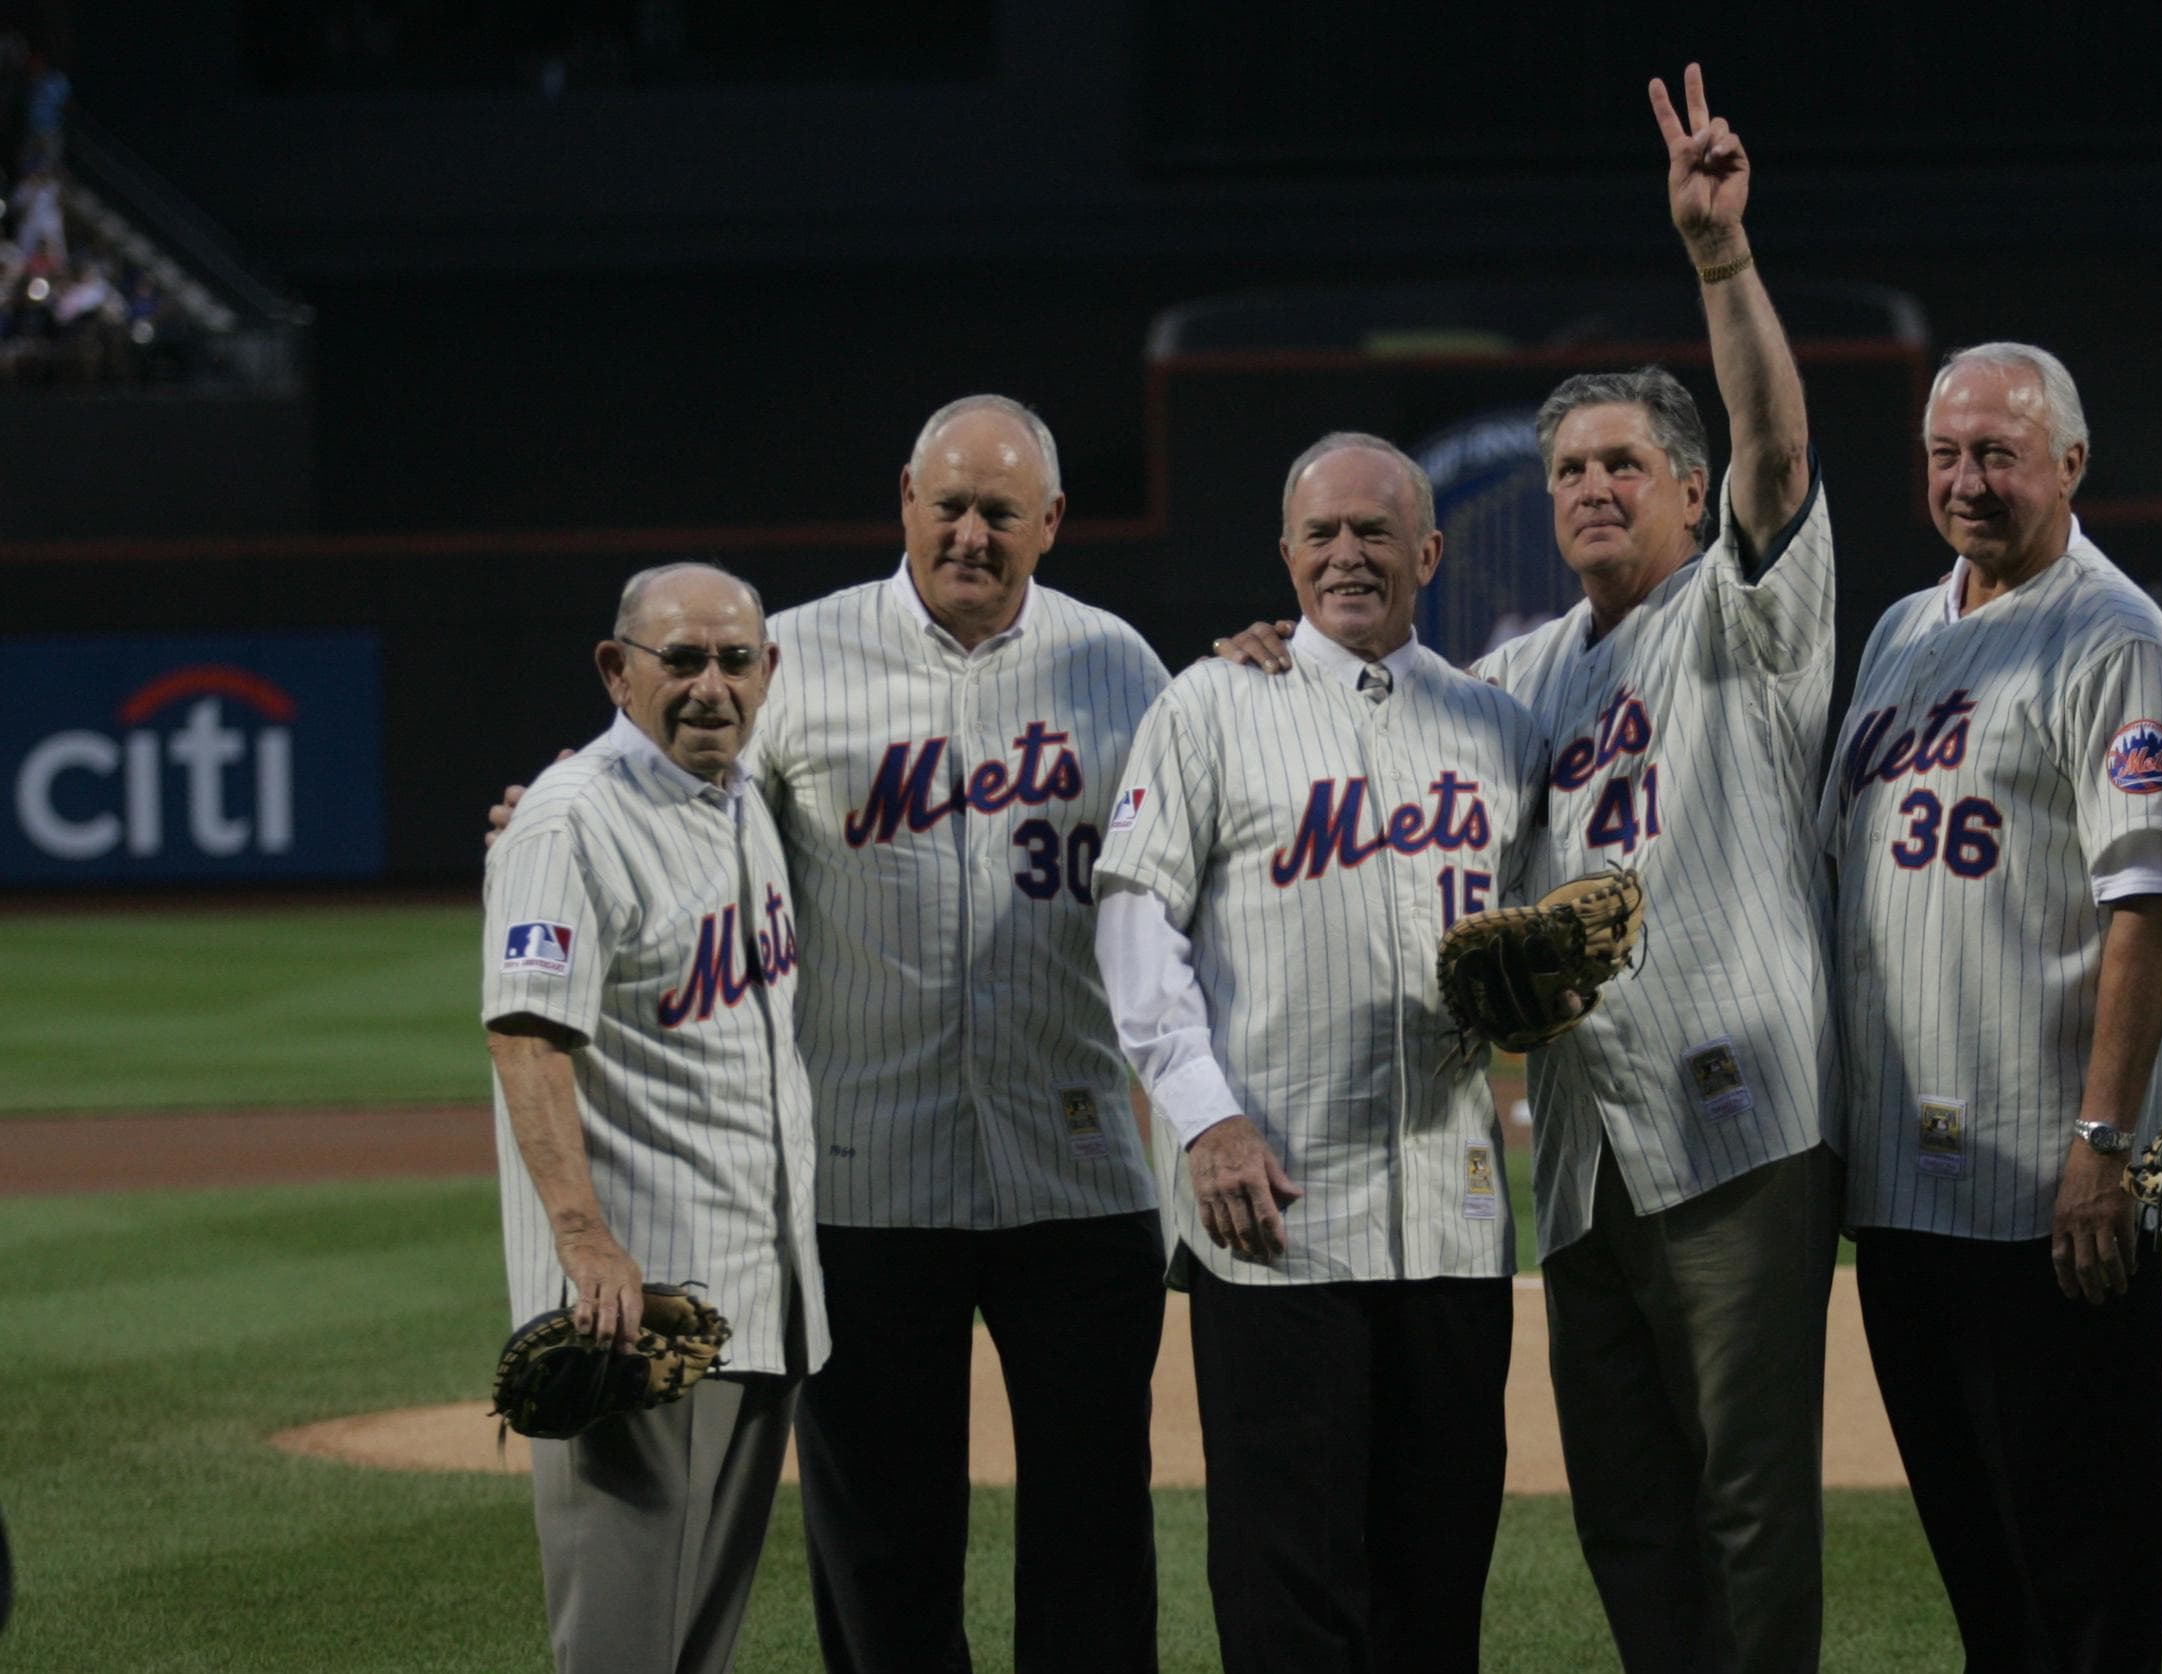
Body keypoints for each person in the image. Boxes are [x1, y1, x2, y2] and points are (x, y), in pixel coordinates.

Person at [1209, 68, 1839, 1672]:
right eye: (1567, 470)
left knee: (1751, 1496)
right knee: (1627, 1501)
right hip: (1578, 1149)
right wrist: (1285, 661)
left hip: (1739, 1125)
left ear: (1690, 491)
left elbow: (1776, 443)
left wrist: (1720, 263)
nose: (1591, 489)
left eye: (1625, 464)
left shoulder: (1746, 610)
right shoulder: (1516, 675)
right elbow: (1389, 753)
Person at [493, 396, 1171, 1674]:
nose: (970, 534)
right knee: (882, 1556)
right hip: (867, 1187)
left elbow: (1201, 826)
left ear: (1053, 525)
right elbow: (676, 794)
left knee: (1094, 1535)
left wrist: (1264, 664)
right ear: (905, 501)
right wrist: (555, 808)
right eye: (948, 506)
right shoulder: (787, 660)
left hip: (1075, 1168)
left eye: (1000, 514)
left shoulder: (1120, 665)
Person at [1092, 433, 1550, 1674]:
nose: (1348, 555)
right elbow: (1135, 927)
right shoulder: (1207, 706)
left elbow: (1535, 957)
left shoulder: (1496, 728)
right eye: (1322, 535)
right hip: (1275, 1214)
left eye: (1375, 532)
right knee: (1286, 1586)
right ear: (1286, 556)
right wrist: (1205, 1118)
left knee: (1436, 1582)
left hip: (1452, 1225)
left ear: (1429, 552)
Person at [1830, 343, 2162, 1673]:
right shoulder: (1897, 631)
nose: (1968, 480)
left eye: (1999, 452)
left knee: (2082, 1574)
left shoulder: (2115, 637)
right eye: (1946, 454)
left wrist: (2106, 1142)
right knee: (1981, 1569)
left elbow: (2145, 901)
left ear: (2071, 464)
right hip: (1901, 1186)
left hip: (2045, 1186)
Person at [483, 561, 831, 1674]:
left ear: (768, 671)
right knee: (626, 1648)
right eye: (680, 659)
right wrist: (582, 1243)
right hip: (638, 1309)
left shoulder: (744, 800)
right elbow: (527, 1038)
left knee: (696, 1648)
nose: (710, 686)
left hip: (758, 1294)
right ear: (617, 671)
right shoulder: (572, 820)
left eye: (735, 660)